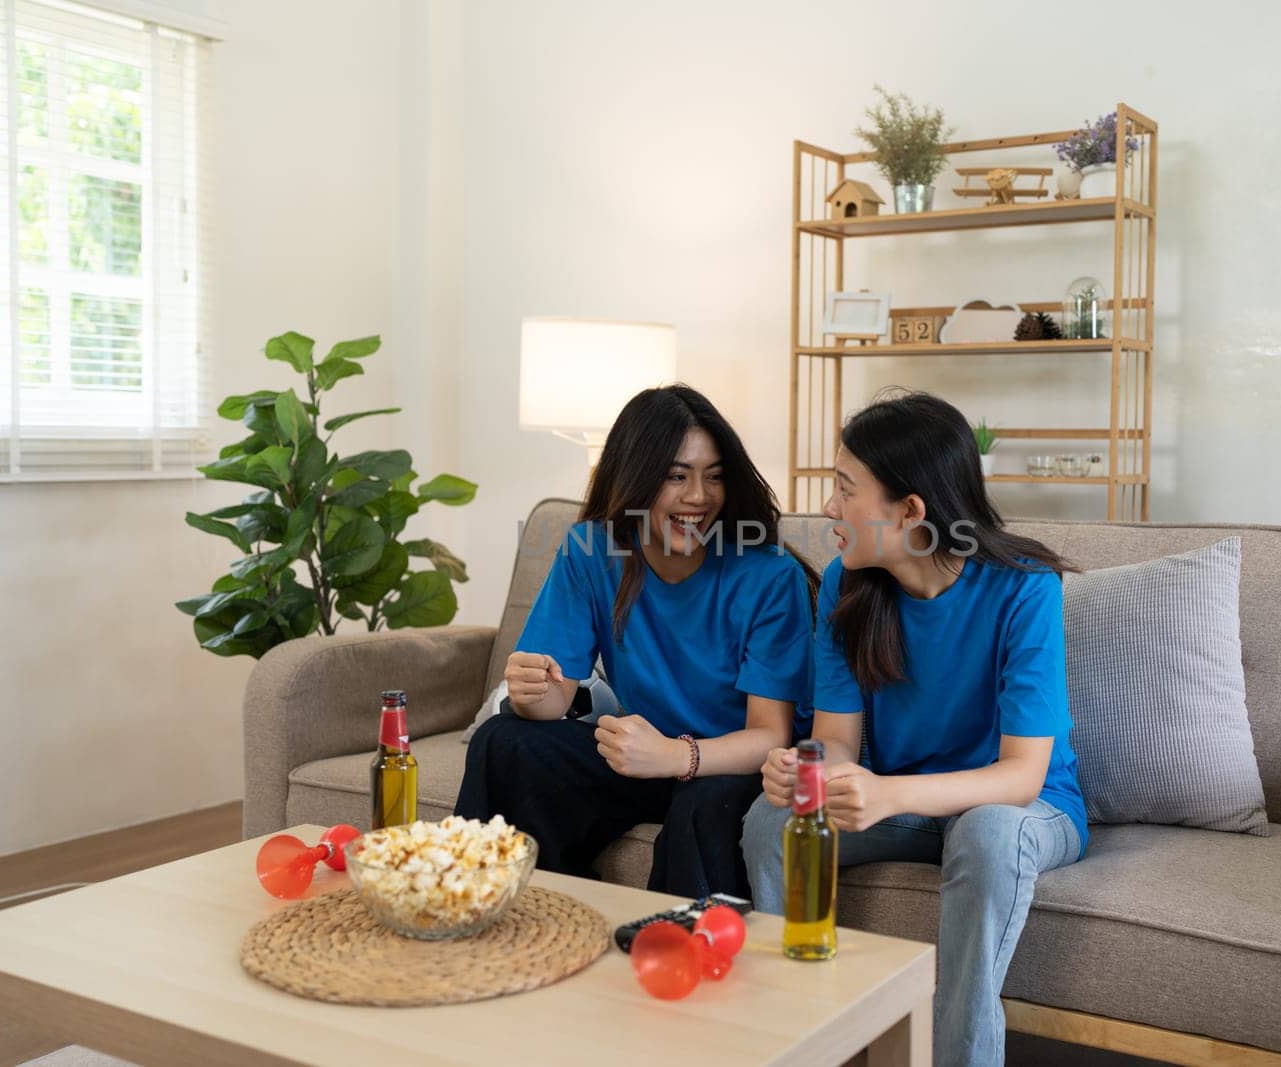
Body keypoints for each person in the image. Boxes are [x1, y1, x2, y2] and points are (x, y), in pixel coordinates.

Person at [741, 390, 1086, 1067]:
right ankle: (801, 1040)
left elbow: (1021, 775)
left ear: (910, 510)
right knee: (771, 818)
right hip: (899, 802)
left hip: (1023, 807)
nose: (829, 509)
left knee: (987, 831)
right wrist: (810, 767)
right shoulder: (848, 581)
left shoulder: (1025, 587)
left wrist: (890, 793)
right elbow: (839, 738)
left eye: (845, 489)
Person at [455, 384, 815, 899]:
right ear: (636, 474)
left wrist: (676, 757)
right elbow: (555, 699)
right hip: (642, 758)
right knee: (504, 742)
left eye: (714, 477)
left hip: (734, 767)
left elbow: (770, 736)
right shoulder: (591, 550)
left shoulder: (767, 574)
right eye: (676, 475)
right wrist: (530, 691)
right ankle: (514, 915)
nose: (699, 496)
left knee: (703, 807)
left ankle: (678, 954)